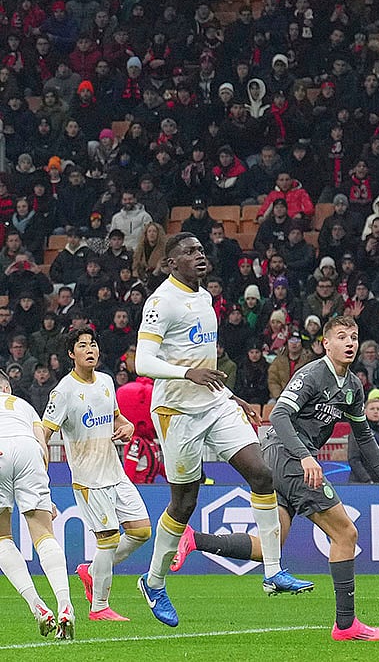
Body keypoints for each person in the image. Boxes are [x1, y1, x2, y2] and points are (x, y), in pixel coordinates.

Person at [170, 317, 379, 641]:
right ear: (326, 344)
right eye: (342, 337)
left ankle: (195, 540)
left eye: (354, 336)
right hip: (288, 456)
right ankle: (346, 624)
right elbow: (279, 415)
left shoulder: (352, 387)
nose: (350, 342)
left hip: (282, 460)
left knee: (270, 546)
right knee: (345, 533)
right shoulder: (312, 374)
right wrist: (306, 455)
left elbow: (364, 436)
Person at [135, 232, 311, 628]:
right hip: (176, 410)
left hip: (214, 403)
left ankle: (272, 572)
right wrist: (187, 374)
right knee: (183, 504)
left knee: (262, 473)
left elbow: (201, 357)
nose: (199, 255)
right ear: (170, 263)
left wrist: (230, 395)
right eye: (189, 251)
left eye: (200, 250)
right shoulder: (161, 302)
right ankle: (154, 581)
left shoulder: (205, 299)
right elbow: (143, 360)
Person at [41, 327, 151, 622]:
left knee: (141, 531)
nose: (90, 349)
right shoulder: (63, 391)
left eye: (93, 344)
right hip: (89, 478)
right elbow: (44, 431)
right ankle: (99, 607)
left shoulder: (105, 381)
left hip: (115, 472)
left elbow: (118, 418)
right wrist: (40, 474)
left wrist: (127, 426)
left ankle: (92, 571)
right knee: (109, 540)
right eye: (82, 345)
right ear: (70, 354)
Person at [0, 370, 76, 639]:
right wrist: (46, 497)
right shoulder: (23, 405)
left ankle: (37, 606)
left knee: (2, 538)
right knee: (43, 534)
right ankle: (65, 605)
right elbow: (42, 446)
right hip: (28, 449)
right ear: (6, 388)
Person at [348, 389, 379, 484]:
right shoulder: (357, 431)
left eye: (378, 409)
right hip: (360, 484)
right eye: (372, 409)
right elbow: (354, 459)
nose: (375, 411)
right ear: (365, 411)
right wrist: (367, 480)